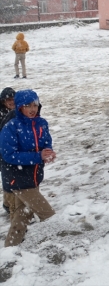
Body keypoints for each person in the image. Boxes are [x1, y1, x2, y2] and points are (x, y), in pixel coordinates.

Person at [0, 89, 56, 247]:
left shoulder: (41, 123)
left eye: (35, 105)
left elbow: (46, 142)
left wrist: (48, 152)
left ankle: (10, 249)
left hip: (34, 176)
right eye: (27, 106)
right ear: (19, 107)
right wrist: (38, 156)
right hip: (17, 178)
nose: (32, 109)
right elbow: (9, 155)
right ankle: (67, 244)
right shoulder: (11, 127)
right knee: (49, 215)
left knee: (22, 216)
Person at [0, 88, 16, 214]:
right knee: (8, 178)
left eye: (13, 99)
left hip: (13, 150)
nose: (11, 102)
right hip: (3, 151)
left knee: (12, 177)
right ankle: (9, 205)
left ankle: (8, 203)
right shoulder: (2, 114)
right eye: (8, 100)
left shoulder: (18, 112)